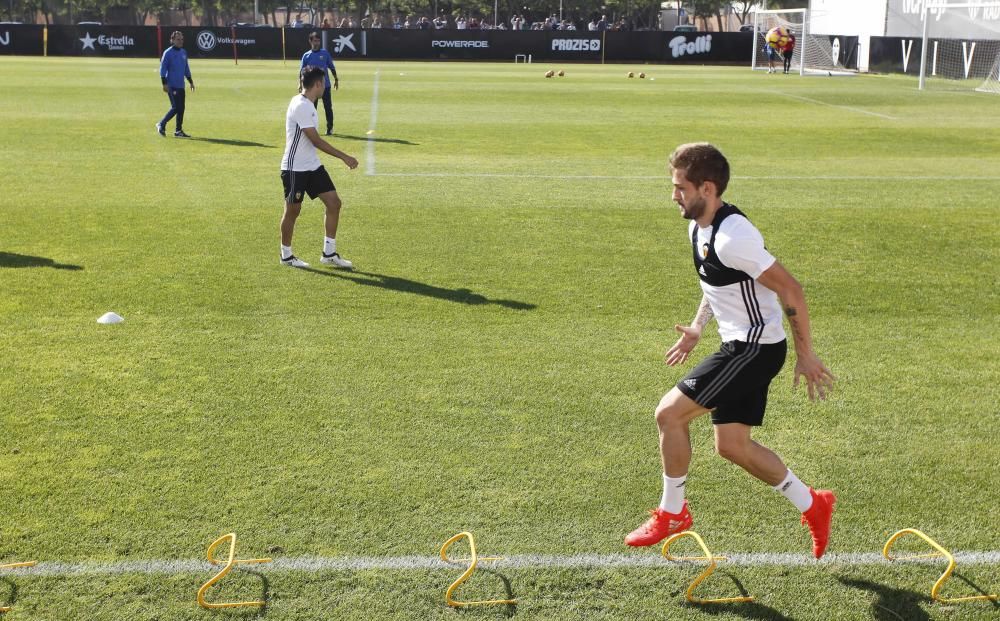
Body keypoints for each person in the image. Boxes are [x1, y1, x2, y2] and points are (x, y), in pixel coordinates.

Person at [624, 143, 837, 559]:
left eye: (680, 188)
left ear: (707, 187)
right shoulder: (698, 226)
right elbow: (715, 283)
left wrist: (806, 355)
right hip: (739, 342)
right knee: (732, 446)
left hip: (754, 347)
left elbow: (791, 289)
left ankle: (673, 512)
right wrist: (697, 329)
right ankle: (814, 504)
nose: (673, 196)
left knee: (668, 414)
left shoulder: (734, 237)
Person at [279, 66, 358, 269]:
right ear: (318, 84)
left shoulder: (308, 104)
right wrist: (344, 157)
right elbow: (315, 140)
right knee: (292, 211)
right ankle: (286, 255)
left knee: (334, 203)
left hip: (312, 165)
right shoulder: (302, 106)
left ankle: (329, 253)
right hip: (295, 168)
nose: (325, 86)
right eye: (324, 83)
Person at [156, 31, 194, 138]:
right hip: (171, 85)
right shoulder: (168, 53)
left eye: (181, 39)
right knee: (176, 107)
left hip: (181, 85)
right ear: (172, 40)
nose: (180, 41)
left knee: (181, 108)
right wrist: (164, 83)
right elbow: (162, 69)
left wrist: (190, 81)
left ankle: (178, 131)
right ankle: (161, 123)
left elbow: (186, 68)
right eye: (178, 39)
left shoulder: (183, 52)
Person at [300, 32, 338, 136]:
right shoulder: (306, 56)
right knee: (312, 108)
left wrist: (336, 79)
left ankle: (330, 128)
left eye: (318, 41)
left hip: (325, 86)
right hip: (312, 88)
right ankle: (313, 128)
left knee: (328, 107)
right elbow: (302, 72)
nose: (317, 43)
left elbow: (331, 67)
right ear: (310, 41)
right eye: (315, 41)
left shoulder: (325, 53)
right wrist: (300, 84)